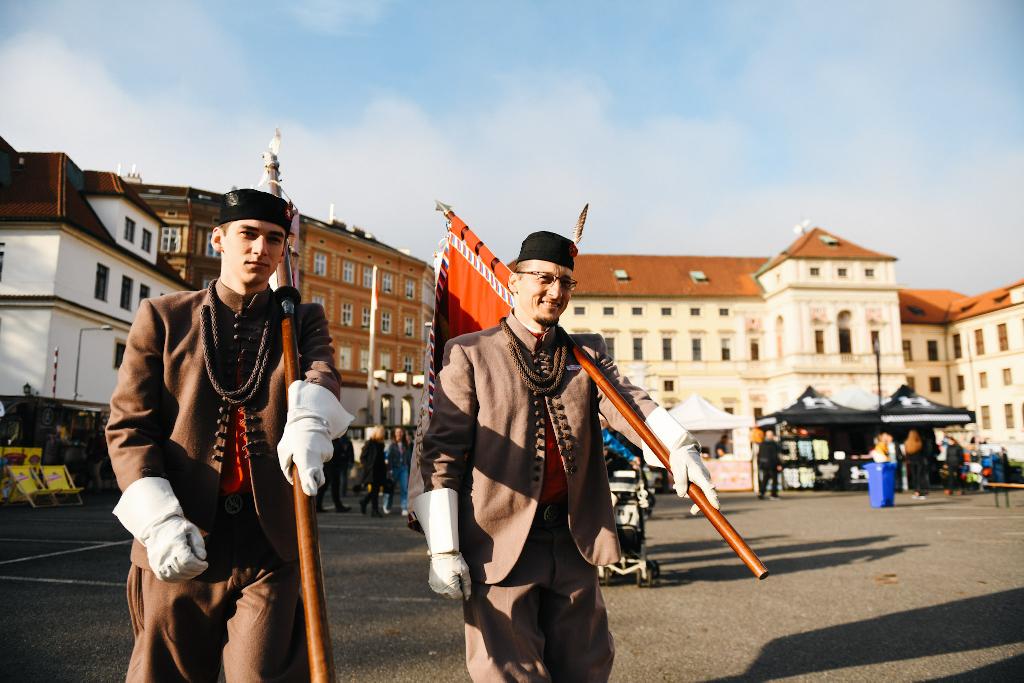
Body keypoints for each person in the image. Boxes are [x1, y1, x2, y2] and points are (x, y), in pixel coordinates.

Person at [412, 229, 719, 681]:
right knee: (508, 671)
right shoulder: (470, 353)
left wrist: (678, 446)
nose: (555, 292)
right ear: (514, 281)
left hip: (575, 538)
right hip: (501, 540)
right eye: (543, 278)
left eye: (566, 283)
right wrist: (443, 547)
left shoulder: (585, 352)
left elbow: (628, 403)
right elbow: (442, 452)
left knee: (587, 665)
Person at [105, 188, 352, 682]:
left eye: (274, 239)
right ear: (219, 238)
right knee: (166, 676)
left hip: (270, 540)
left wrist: (308, 418)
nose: (261, 248)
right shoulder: (164, 316)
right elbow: (129, 426)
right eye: (249, 234)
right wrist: (158, 522)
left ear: (284, 251)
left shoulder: (300, 320)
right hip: (182, 529)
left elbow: (321, 372)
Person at [317, 434, 353, 512]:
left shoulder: (329, 440)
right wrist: (343, 455)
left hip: (329, 466)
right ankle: (338, 506)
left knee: (324, 487)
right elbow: (336, 453)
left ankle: (318, 505)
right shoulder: (333, 441)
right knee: (334, 487)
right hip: (332, 467)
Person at [358, 426, 387, 517]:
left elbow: (380, 459)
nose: (384, 434)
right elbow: (362, 457)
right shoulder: (369, 443)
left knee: (375, 491)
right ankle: (374, 510)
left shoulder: (381, 444)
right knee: (375, 491)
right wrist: (368, 466)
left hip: (379, 471)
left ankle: (364, 502)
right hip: (372, 472)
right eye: (382, 432)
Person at [384, 427, 413, 515]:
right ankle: (387, 505)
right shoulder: (391, 445)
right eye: (397, 432)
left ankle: (404, 507)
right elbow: (388, 458)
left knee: (404, 488)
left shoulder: (406, 444)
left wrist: (410, 469)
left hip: (404, 468)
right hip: (394, 468)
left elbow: (409, 457)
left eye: (401, 432)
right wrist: (389, 470)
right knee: (390, 488)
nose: (399, 434)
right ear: (394, 434)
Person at [757, 429, 782, 499]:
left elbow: (759, 455)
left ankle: (761, 493)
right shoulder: (773, 444)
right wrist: (779, 464)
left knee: (765, 479)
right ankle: (773, 494)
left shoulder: (762, 444)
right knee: (774, 480)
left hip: (764, 464)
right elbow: (775, 455)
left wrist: (760, 464)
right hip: (772, 465)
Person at [904, 428, 929, 500]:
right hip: (919, 461)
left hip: (911, 462)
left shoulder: (907, 443)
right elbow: (924, 453)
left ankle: (916, 492)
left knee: (914, 477)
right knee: (920, 477)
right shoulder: (919, 443)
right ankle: (921, 492)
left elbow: (907, 454)